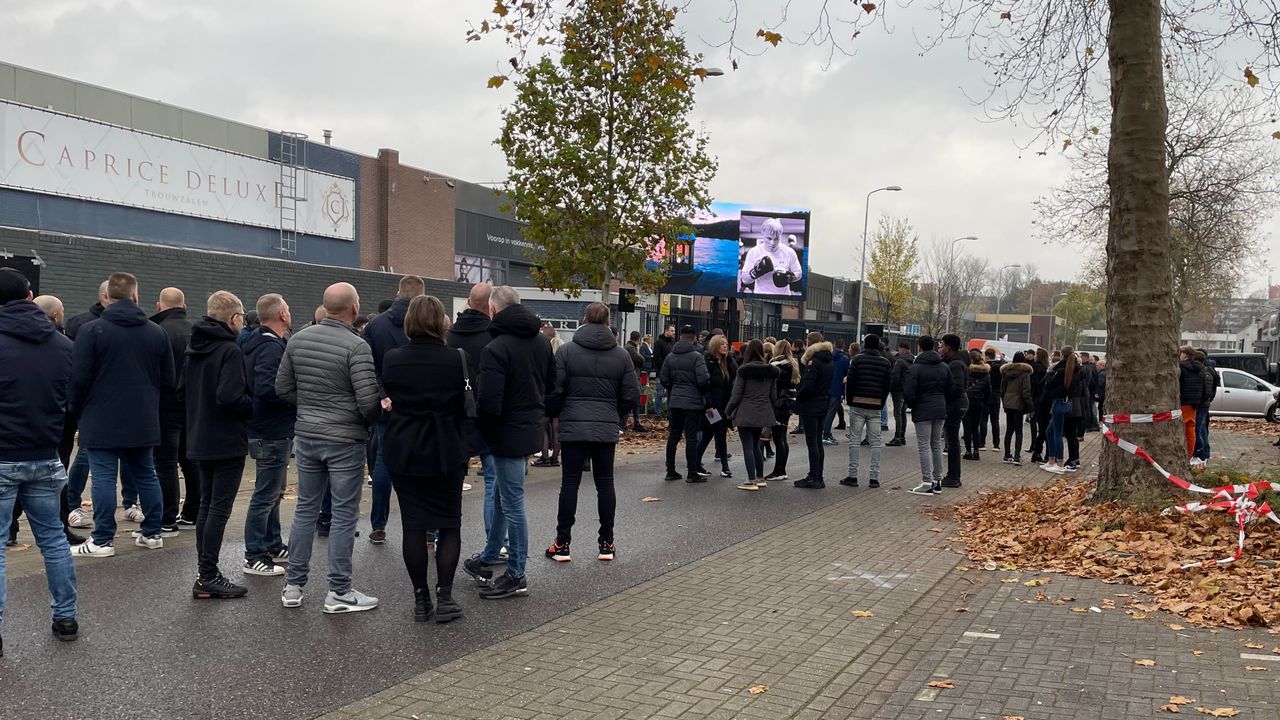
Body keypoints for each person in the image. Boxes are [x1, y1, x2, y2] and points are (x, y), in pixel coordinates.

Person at [276, 282, 381, 614]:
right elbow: (367, 401)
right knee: (343, 515)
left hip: (307, 435)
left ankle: (293, 586)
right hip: (345, 439)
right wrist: (371, 417)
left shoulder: (297, 340)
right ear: (353, 308)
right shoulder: (356, 346)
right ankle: (339, 590)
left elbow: (282, 387)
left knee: (305, 509)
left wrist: (309, 409)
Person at [0, 268, 79, 651]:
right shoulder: (63, 346)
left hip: (3, 457)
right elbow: (72, 400)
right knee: (53, 539)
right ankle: (66, 617)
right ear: (30, 297)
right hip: (47, 456)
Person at [70, 272, 175, 558]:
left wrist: (76, 411)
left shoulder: (92, 331)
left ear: (106, 297)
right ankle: (152, 532)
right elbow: (168, 380)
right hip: (143, 416)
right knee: (146, 474)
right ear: (135, 295)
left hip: (100, 416)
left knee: (103, 477)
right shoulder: (157, 332)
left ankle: (103, 539)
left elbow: (78, 379)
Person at [381, 295, 469, 623]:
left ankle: (420, 598)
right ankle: (445, 595)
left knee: (413, 526)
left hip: (405, 447)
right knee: (449, 523)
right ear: (440, 322)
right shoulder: (457, 359)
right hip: (447, 447)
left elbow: (388, 391)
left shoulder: (393, 359)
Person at [467, 286, 554, 600]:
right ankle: (491, 556)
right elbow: (553, 384)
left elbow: (489, 400)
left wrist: (484, 427)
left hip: (504, 431)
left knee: (512, 502)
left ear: (493, 310)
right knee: (505, 497)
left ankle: (516, 573)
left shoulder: (496, 348)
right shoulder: (542, 342)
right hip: (529, 426)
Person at [543, 302, 639, 559]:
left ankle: (562, 543)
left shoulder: (566, 352)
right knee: (605, 484)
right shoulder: (621, 355)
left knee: (570, 484)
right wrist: (614, 414)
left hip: (573, 424)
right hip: (605, 425)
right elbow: (632, 394)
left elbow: (554, 389)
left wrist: (561, 411)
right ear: (609, 322)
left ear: (584, 319)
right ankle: (606, 542)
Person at [184, 291, 252, 599]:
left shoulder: (194, 347)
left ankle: (204, 572)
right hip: (225, 439)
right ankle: (208, 575)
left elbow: (180, 389)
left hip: (199, 435)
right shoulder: (229, 351)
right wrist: (252, 406)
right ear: (235, 318)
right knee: (218, 509)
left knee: (206, 506)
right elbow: (229, 396)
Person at [8, 295, 84, 548]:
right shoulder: (64, 346)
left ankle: (11, 528)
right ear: (54, 315)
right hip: (52, 431)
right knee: (52, 532)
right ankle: (61, 528)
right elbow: (75, 387)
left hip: (10, 435)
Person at [450, 283, 508, 568]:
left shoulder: (448, 335)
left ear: (469, 302)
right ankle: (495, 543)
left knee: (449, 484)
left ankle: (438, 534)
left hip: (454, 419)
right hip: (488, 418)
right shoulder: (495, 336)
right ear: (490, 306)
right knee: (493, 487)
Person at [364, 275, 425, 545]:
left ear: (397, 292)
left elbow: (368, 366)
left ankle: (378, 525)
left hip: (387, 403)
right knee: (424, 463)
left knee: (383, 462)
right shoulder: (428, 321)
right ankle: (427, 527)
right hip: (421, 407)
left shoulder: (375, 325)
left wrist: (381, 395)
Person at [241, 293, 294, 577]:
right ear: (281, 315)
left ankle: (272, 544)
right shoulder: (270, 348)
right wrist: (296, 397)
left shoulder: (256, 343)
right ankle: (254, 554)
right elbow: (267, 388)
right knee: (265, 495)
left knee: (273, 492)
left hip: (267, 429)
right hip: (271, 430)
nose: (290, 313)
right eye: (287, 309)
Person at [150, 287, 195, 534]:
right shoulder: (194, 330)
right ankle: (192, 511)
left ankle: (167, 517)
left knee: (165, 464)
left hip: (164, 406)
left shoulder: (158, 332)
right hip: (191, 406)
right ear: (184, 306)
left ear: (159, 306)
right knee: (190, 461)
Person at [725, 339, 779, 491]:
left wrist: (728, 411)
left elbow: (736, 395)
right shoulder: (771, 371)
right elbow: (773, 396)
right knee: (756, 445)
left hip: (745, 412)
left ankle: (751, 480)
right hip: (763, 411)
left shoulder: (743, 371)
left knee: (747, 446)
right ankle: (760, 477)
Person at [659, 325, 710, 483]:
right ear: (694, 338)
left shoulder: (670, 356)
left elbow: (664, 379)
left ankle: (671, 470)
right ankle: (691, 472)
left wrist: (674, 389)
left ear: (680, 337)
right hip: (692, 402)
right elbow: (703, 379)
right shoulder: (697, 356)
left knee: (674, 435)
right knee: (691, 437)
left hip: (675, 400)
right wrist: (700, 392)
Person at [841, 334, 892, 488]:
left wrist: (850, 401)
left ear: (864, 344)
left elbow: (851, 382)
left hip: (857, 403)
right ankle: (874, 478)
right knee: (876, 442)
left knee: (855, 440)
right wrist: (881, 402)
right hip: (875, 404)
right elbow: (886, 386)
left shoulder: (857, 359)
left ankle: (853, 475)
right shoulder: (885, 362)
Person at [905, 336, 949, 495]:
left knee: (923, 445)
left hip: (923, 409)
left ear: (919, 347)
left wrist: (913, 404)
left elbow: (909, 391)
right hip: (940, 408)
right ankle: (937, 481)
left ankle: (926, 482)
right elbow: (951, 388)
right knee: (936, 444)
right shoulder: (944, 366)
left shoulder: (916, 368)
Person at [794, 332, 835, 489]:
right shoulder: (828, 360)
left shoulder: (814, 362)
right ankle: (819, 475)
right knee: (818, 441)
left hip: (811, 405)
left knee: (812, 442)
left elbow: (808, 385)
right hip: (822, 402)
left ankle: (813, 476)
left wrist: (798, 395)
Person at [697, 335, 735, 478]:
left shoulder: (726, 363)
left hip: (723, 406)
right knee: (719, 434)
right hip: (712, 407)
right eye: (722, 344)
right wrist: (708, 404)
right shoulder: (709, 364)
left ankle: (696, 462)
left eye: (726, 344)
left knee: (710, 434)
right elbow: (705, 386)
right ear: (715, 346)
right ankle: (725, 467)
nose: (726, 346)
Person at [1042, 347, 1084, 474]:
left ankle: (1059, 463)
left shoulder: (1061, 371)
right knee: (1050, 431)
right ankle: (1051, 460)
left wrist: (1050, 373)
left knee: (1057, 433)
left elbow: (1049, 385)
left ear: (1062, 355)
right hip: (1068, 402)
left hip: (1059, 402)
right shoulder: (1076, 370)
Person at [738, 217, 803, 295]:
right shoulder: (754, 252)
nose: (772, 243)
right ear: (762, 234)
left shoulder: (789, 252)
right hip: (760, 296)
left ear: (780, 236)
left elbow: (799, 273)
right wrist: (755, 272)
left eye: (776, 239)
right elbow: (745, 279)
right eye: (769, 238)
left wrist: (790, 277)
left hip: (783, 297)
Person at [766, 342, 800, 481]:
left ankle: (778, 471)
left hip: (778, 404)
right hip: (788, 403)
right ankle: (781, 469)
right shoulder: (793, 364)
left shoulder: (776, 366)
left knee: (778, 438)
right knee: (782, 438)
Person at [939, 334, 969, 488]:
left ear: (949, 347)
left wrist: (944, 395)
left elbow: (956, 388)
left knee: (952, 440)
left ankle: (953, 476)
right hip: (958, 403)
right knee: (952, 439)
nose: (940, 348)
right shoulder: (956, 362)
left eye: (942, 345)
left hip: (955, 404)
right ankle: (953, 475)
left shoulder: (955, 364)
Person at [999, 352, 1034, 466]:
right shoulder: (1025, 374)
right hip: (1019, 404)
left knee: (1009, 430)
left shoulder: (1006, 372)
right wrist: (1031, 407)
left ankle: (1006, 455)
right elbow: (1026, 392)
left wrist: (1004, 401)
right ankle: (1017, 456)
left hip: (1008, 403)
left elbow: (1002, 390)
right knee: (1018, 430)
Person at [962, 350, 991, 461]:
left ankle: (968, 451)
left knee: (967, 428)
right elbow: (988, 390)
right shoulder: (986, 374)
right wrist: (984, 402)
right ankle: (976, 452)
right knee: (975, 428)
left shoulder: (967, 372)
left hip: (968, 401)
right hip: (979, 403)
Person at [1177, 345, 1204, 459]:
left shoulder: (1181, 368)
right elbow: (1204, 388)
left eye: (1181, 354)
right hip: (1194, 403)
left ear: (1185, 356)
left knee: (1180, 428)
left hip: (1183, 402)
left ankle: (1183, 454)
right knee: (1190, 428)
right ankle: (1189, 454)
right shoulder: (1200, 369)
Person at [822, 339, 850, 445]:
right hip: (837, 388)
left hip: (826, 387)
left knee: (826, 411)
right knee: (832, 412)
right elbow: (847, 373)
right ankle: (826, 433)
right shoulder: (844, 359)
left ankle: (824, 432)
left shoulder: (828, 357)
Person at [887, 340, 915, 447]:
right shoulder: (912, 360)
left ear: (902, 349)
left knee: (897, 413)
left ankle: (897, 437)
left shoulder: (900, 362)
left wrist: (891, 389)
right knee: (903, 413)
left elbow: (895, 377)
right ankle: (902, 437)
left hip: (898, 390)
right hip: (907, 390)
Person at [1193, 350, 1217, 466]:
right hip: (1204, 404)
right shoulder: (1210, 369)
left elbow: (1207, 391)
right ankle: (1205, 452)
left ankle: (1201, 453)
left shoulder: (1205, 371)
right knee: (1202, 428)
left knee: (1199, 428)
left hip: (1201, 404)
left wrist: (1201, 401)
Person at [1027, 348, 1050, 464]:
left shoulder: (1035, 368)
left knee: (1041, 428)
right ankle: (1043, 452)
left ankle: (1037, 451)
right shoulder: (1047, 369)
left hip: (1037, 400)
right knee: (1045, 428)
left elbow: (1032, 385)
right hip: (1045, 401)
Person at [622, 331, 648, 432]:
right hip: (632, 377)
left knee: (635, 401)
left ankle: (635, 422)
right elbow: (641, 359)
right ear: (639, 339)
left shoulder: (629, 347)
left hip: (633, 376)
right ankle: (624, 423)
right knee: (632, 401)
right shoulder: (630, 348)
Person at [981, 348, 1005, 452]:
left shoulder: (985, 368)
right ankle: (996, 445)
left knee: (983, 420)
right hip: (996, 395)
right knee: (995, 420)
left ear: (986, 356)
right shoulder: (1000, 367)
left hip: (986, 395)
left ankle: (982, 443)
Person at [652, 324, 675, 419]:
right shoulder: (659, 343)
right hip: (661, 373)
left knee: (670, 394)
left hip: (671, 373)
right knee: (659, 394)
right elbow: (657, 359)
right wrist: (665, 369)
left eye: (674, 331)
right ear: (666, 331)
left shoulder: (672, 342)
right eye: (672, 331)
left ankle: (670, 414)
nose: (674, 333)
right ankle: (658, 414)